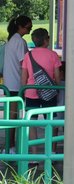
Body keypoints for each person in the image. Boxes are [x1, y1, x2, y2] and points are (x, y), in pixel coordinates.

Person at [20, 28, 62, 159]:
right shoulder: (53, 55)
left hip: (31, 91)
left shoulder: (28, 56)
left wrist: (23, 91)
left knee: (32, 123)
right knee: (51, 121)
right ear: (45, 40)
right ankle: (52, 152)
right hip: (48, 92)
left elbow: (23, 77)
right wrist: (57, 88)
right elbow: (57, 78)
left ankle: (33, 155)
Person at [2, 15, 32, 153]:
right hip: (16, 83)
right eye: (28, 27)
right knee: (14, 116)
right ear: (21, 26)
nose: (30, 30)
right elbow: (23, 64)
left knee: (11, 115)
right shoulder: (19, 42)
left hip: (10, 82)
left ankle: (10, 146)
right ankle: (11, 147)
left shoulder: (12, 40)